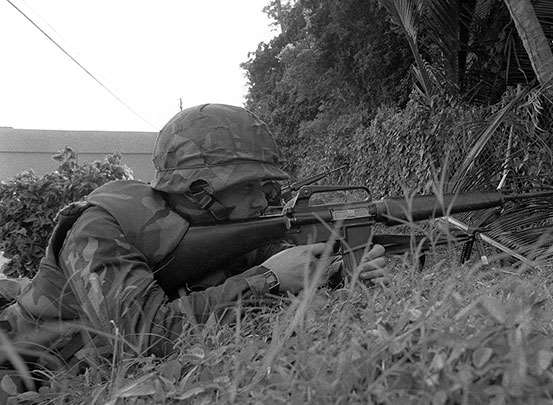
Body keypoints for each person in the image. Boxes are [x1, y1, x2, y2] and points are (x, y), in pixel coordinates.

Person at [0, 104, 387, 376]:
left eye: (266, 186)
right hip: (27, 365)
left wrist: (339, 271)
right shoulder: (100, 225)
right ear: (199, 188)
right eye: (248, 186)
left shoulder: (216, 223)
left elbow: (278, 259)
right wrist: (267, 279)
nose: (261, 200)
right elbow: (147, 336)